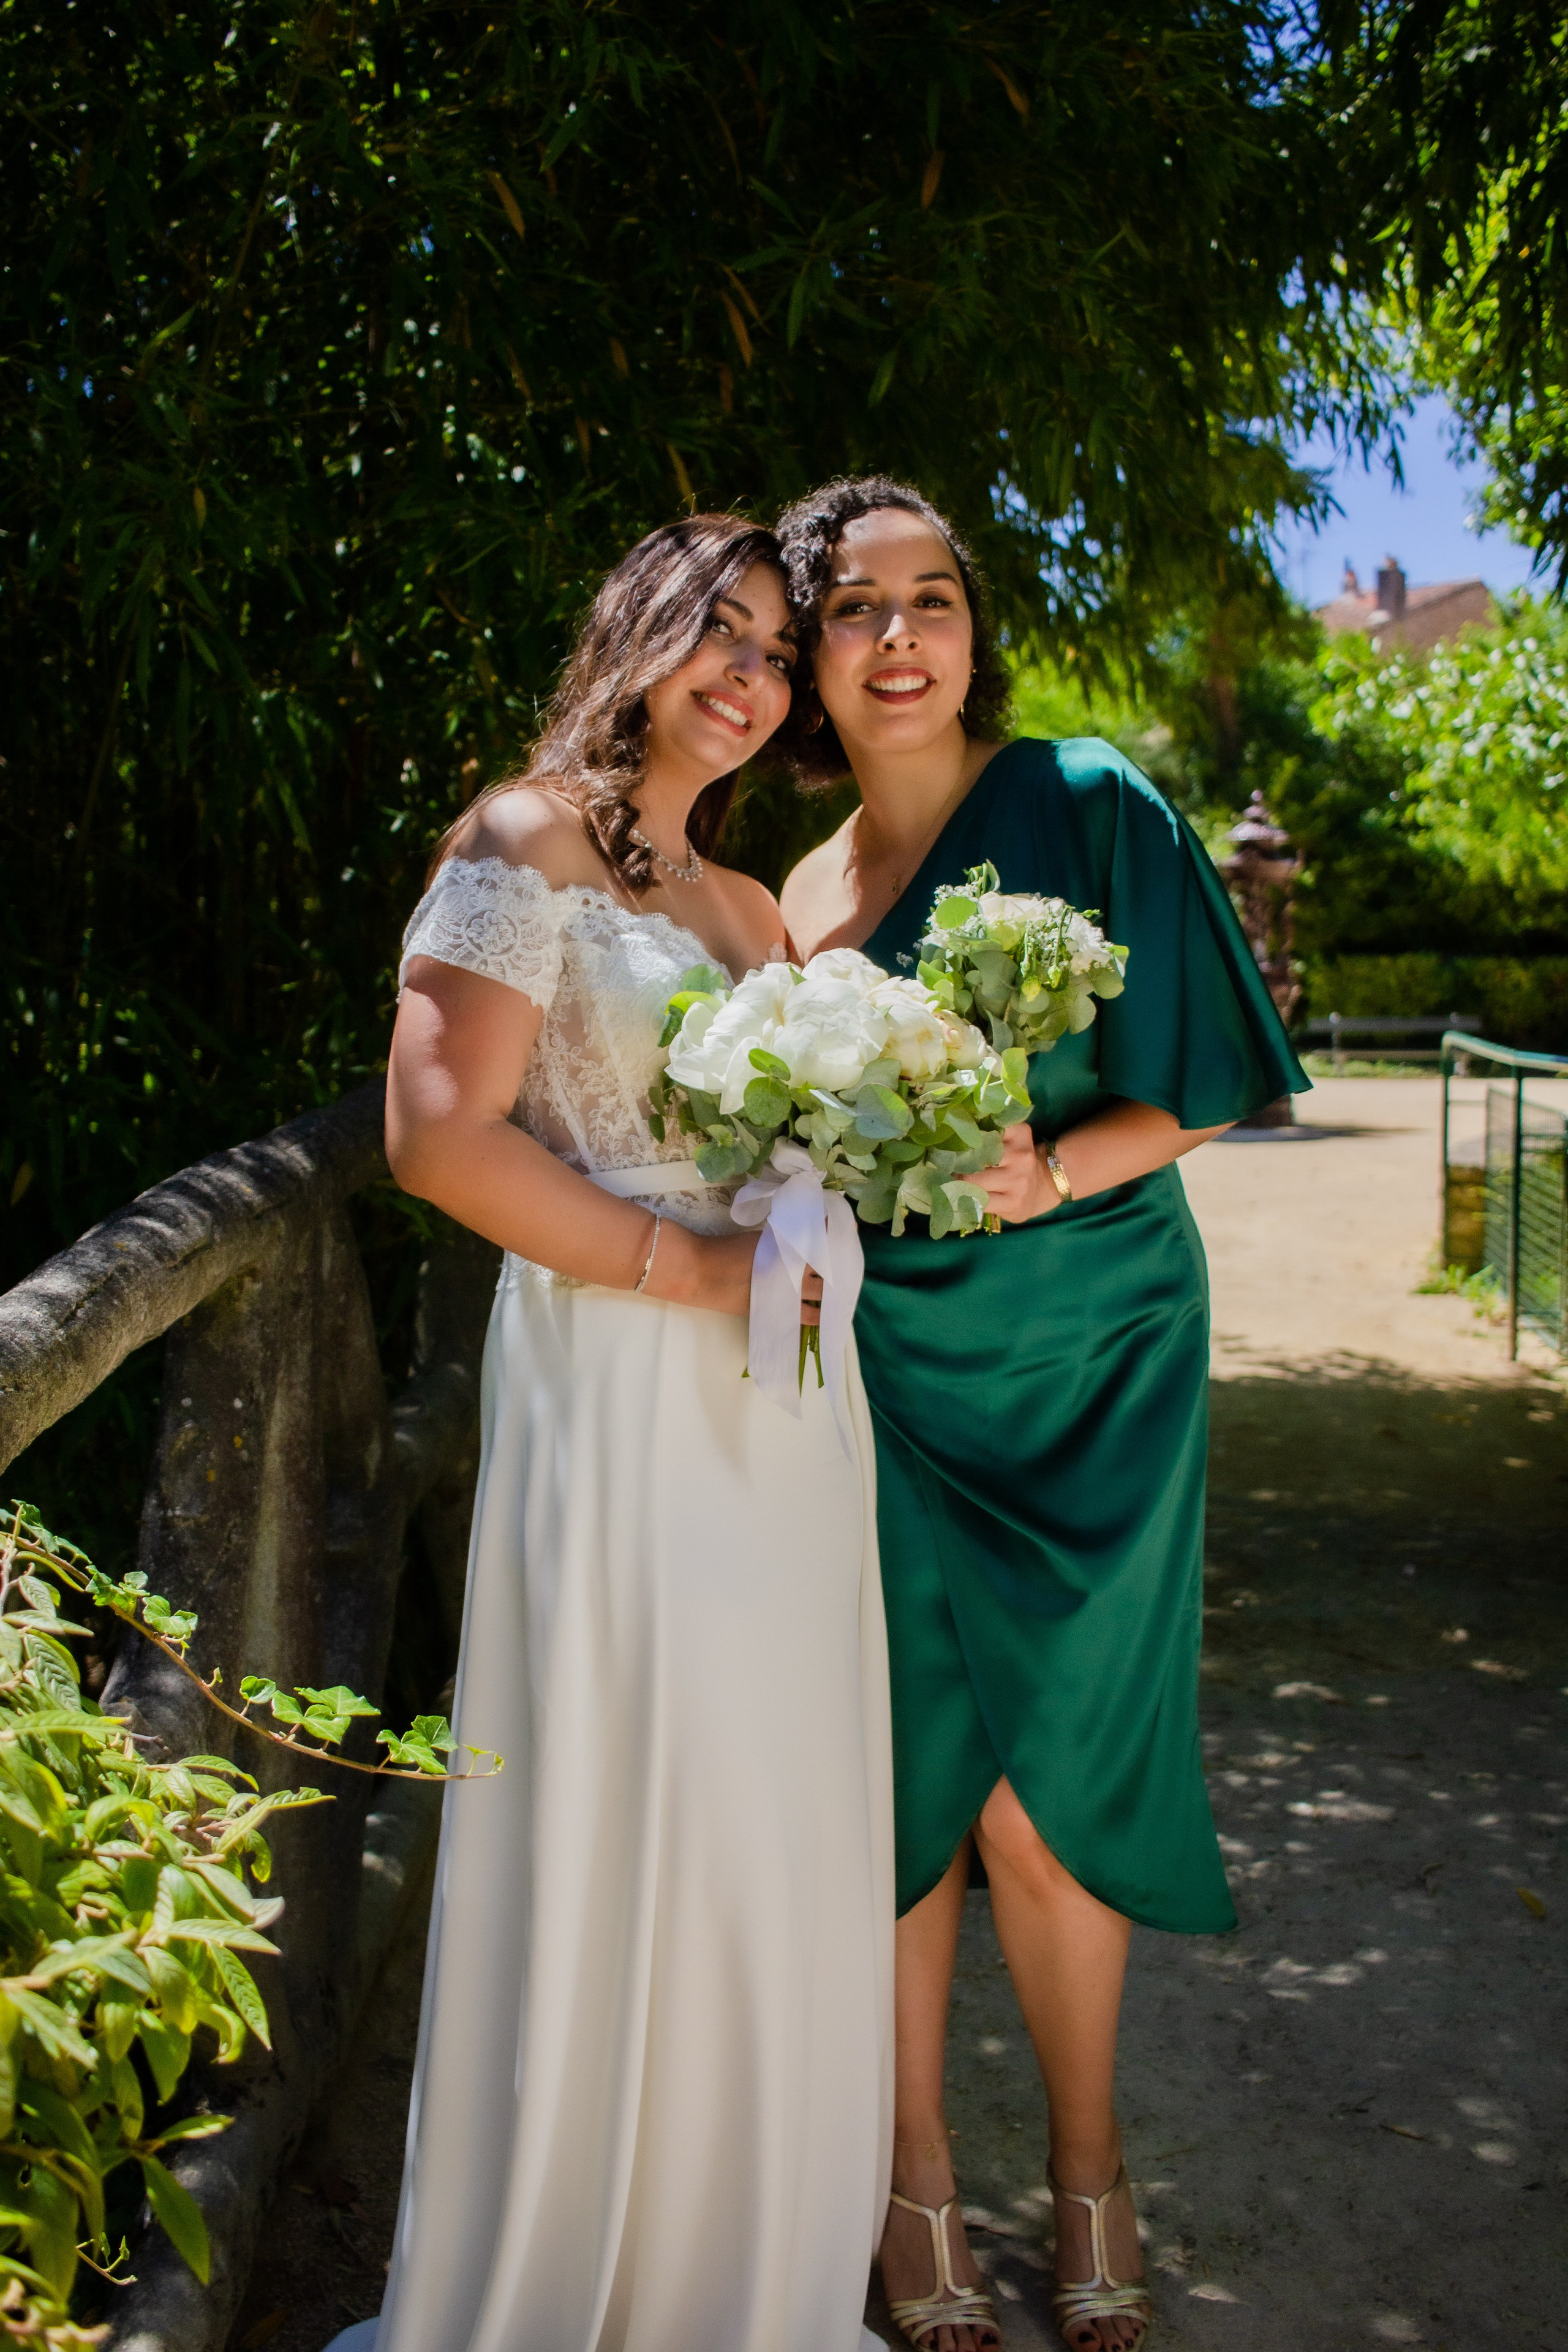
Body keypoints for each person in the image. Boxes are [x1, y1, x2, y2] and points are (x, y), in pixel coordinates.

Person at [777, 478, 1307, 2352]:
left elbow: (1213, 1083)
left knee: (1046, 1799)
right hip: (886, 1376)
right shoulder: (802, 899)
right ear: (806, 649)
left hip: (1097, 1354)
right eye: (857, 608)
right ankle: (912, 2182)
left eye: (935, 600)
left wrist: (1050, 1176)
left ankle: (1091, 2170)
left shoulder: (1089, 804)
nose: (902, 638)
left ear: (974, 628)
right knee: (907, 1783)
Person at [378, 514, 892, 2352]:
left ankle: (734, 2282)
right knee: (632, 1800)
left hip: (789, 1426)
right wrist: (689, 1272)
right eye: (722, 634)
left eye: (776, 651)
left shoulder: (752, 914)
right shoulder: (523, 841)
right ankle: (575, 2282)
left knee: (767, 1827)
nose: (751, 677)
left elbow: (801, 1163)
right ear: (641, 633)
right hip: (620, 1383)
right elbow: (441, 1138)